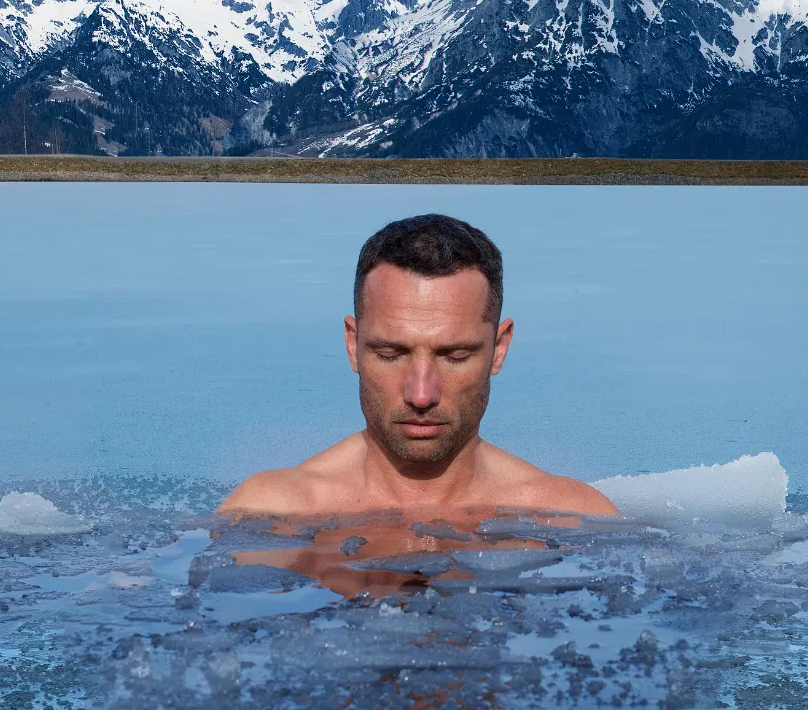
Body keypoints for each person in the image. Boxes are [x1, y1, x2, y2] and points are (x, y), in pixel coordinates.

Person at [219, 214, 619, 518]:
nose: (421, 394)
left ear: (499, 348)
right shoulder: (273, 512)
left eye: (455, 356)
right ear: (352, 344)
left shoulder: (571, 518)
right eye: (390, 354)